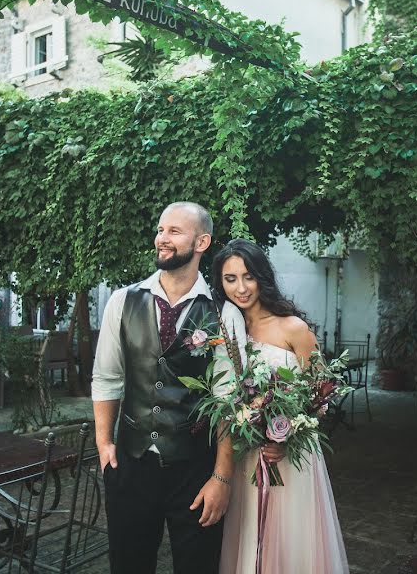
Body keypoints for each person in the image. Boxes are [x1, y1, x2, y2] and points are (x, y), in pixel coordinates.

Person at [92, 202, 247, 574]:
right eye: (161, 230)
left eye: (174, 231)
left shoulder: (224, 315)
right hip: (131, 464)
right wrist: (103, 443)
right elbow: (107, 377)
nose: (162, 238)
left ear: (201, 241)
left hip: (195, 470)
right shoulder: (121, 301)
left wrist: (222, 478)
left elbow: (229, 401)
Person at [213, 238, 349, 574]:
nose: (241, 288)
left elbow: (323, 393)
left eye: (248, 276)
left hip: (289, 459)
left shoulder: (293, 328)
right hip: (247, 456)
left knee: (290, 542)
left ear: (262, 276)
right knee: (250, 536)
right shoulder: (227, 332)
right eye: (230, 279)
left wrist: (288, 436)